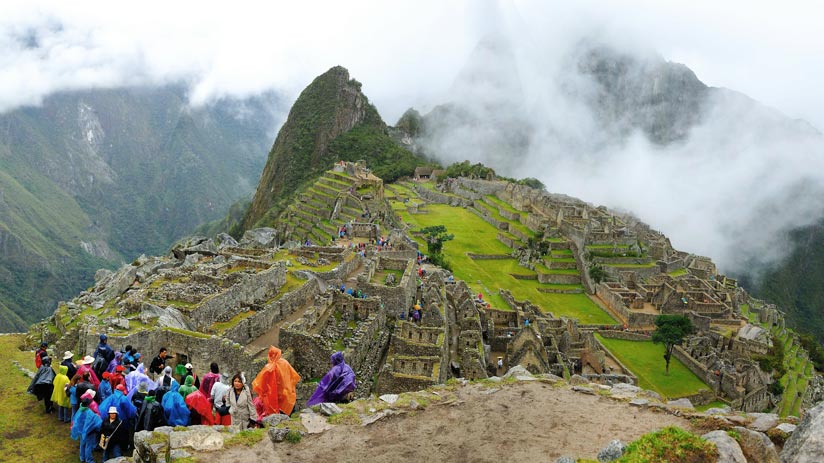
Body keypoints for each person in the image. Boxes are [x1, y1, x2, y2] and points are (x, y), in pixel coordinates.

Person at [252, 346, 300, 417]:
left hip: (273, 397)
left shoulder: (268, 368)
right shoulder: (285, 363)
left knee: (276, 417)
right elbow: (293, 376)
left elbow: (260, 384)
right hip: (286, 394)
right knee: (288, 415)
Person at [71, 396, 102, 463]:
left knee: (82, 444)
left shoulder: (80, 410)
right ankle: (89, 460)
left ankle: (82, 458)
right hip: (90, 432)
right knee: (88, 446)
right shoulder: (89, 413)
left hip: (82, 431)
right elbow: (96, 422)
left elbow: (76, 420)